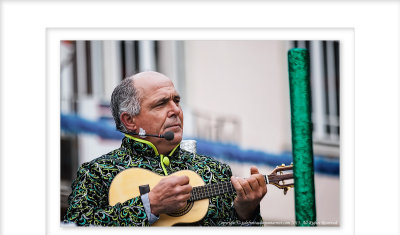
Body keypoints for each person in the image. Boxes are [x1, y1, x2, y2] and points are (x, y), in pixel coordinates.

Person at [64, 71, 267, 226]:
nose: (176, 110)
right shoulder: (96, 172)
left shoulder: (216, 170)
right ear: (129, 120)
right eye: (161, 104)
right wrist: (148, 206)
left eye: (176, 101)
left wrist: (245, 212)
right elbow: (74, 231)